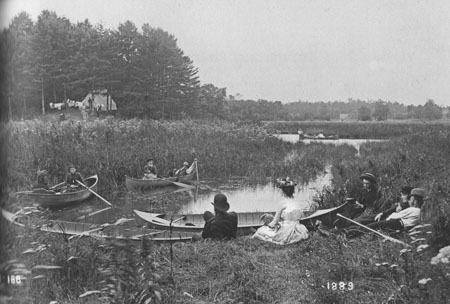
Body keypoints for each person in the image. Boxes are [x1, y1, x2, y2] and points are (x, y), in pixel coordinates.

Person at [252, 177, 309, 245]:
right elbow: (300, 217)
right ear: (293, 191)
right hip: (299, 228)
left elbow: (275, 222)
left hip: (287, 229)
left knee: (261, 231)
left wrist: (268, 225)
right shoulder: (297, 202)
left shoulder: (282, 203)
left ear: (283, 191)